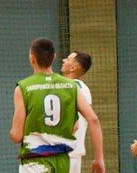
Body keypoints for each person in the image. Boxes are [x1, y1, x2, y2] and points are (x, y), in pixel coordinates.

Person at [10, 38, 105, 173]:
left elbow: (16, 135)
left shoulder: (23, 87)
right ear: (53, 57)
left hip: (35, 160)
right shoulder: (72, 86)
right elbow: (84, 123)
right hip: (63, 159)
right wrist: (99, 158)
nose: (64, 60)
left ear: (32, 58)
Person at [61, 51, 93, 173]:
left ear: (73, 68)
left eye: (68, 59)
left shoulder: (69, 88)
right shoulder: (84, 88)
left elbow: (72, 124)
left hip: (64, 152)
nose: (64, 60)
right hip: (74, 152)